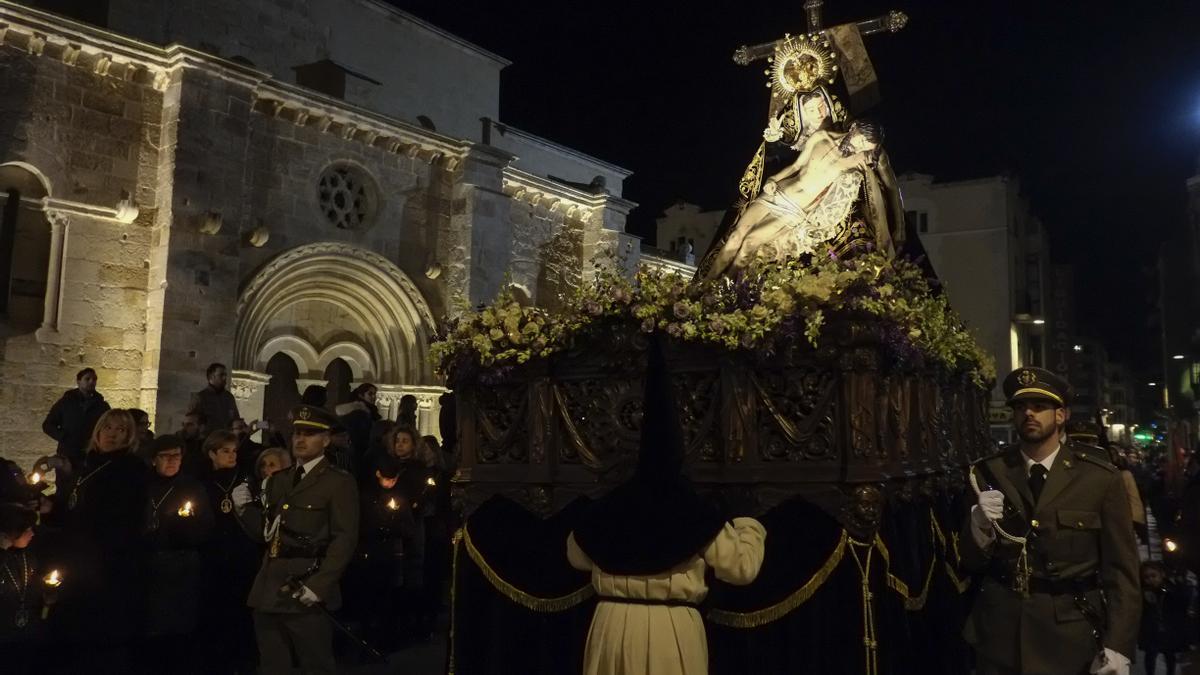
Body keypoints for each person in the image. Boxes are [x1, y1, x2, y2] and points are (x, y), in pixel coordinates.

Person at [566, 338, 766, 675]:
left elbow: (576, 555)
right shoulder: (691, 508)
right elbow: (741, 569)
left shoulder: (611, 505)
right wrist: (748, 524)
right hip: (669, 631)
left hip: (611, 625)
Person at [961, 367, 1140, 675]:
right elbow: (971, 563)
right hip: (1002, 634)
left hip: (1069, 638)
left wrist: (1119, 645)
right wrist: (978, 526)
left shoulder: (1098, 479)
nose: (1028, 413)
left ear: (1060, 415)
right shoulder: (988, 473)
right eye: (1020, 407)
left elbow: (1121, 571)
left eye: (1039, 406)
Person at [232, 404, 359, 675]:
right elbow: (265, 534)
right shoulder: (279, 480)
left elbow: (344, 539)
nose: (300, 440)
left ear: (325, 440)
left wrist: (319, 586)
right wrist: (244, 511)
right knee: (272, 665)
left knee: (316, 664)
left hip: (305, 589)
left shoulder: (338, 482)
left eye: (310, 434)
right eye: (297, 433)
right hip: (269, 587)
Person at [47, 408, 148, 674]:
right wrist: (52, 508)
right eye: (108, 428)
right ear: (98, 431)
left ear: (129, 436)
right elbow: (74, 505)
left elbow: (122, 518)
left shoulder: (131, 469)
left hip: (106, 565)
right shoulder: (87, 464)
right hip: (77, 560)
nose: (112, 435)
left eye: (121, 430)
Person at [141, 435, 213, 675]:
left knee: (179, 628)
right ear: (154, 459)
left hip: (181, 564)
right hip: (148, 563)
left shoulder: (191, 488)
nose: (172, 461)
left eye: (176, 456)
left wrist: (185, 527)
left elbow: (205, 527)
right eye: (165, 456)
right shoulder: (143, 486)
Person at [198, 430, 259, 675]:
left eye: (234, 451)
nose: (232, 455)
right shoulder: (203, 482)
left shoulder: (243, 479)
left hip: (240, 552)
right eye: (225, 451)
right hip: (212, 554)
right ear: (212, 453)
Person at [0, 503, 48, 675]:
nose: (32, 533)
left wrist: (47, 594)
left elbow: (31, 589)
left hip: (27, 636)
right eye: (27, 528)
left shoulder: (28, 556)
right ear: (12, 531)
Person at [41, 367, 111, 472]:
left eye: (94, 379)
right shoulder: (65, 403)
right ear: (79, 381)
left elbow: (107, 426)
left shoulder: (102, 406)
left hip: (91, 454)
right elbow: (48, 425)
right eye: (87, 379)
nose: (91, 382)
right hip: (68, 454)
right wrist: (64, 437)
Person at [1138, 561, 1189, 675]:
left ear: (1161, 575)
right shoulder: (1143, 592)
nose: (1151, 579)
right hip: (1152, 631)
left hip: (1168, 630)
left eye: (1153, 576)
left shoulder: (1170, 588)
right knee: (1150, 655)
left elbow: (1182, 602)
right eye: (1146, 577)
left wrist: (1179, 584)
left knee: (1170, 655)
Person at [189, 363, 240, 436]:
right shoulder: (200, 397)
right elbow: (192, 422)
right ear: (211, 377)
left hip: (226, 440)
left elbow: (236, 419)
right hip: (208, 440)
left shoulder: (229, 397)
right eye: (221, 375)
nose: (224, 378)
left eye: (225, 375)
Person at [336, 383, 380, 462]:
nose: (374, 397)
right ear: (361, 395)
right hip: (359, 452)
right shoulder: (359, 412)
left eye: (374, 394)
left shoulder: (370, 411)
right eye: (370, 394)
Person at [178, 411, 208, 478]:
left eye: (189, 424)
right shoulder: (179, 444)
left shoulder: (209, 447)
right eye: (183, 424)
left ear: (201, 427)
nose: (184, 428)